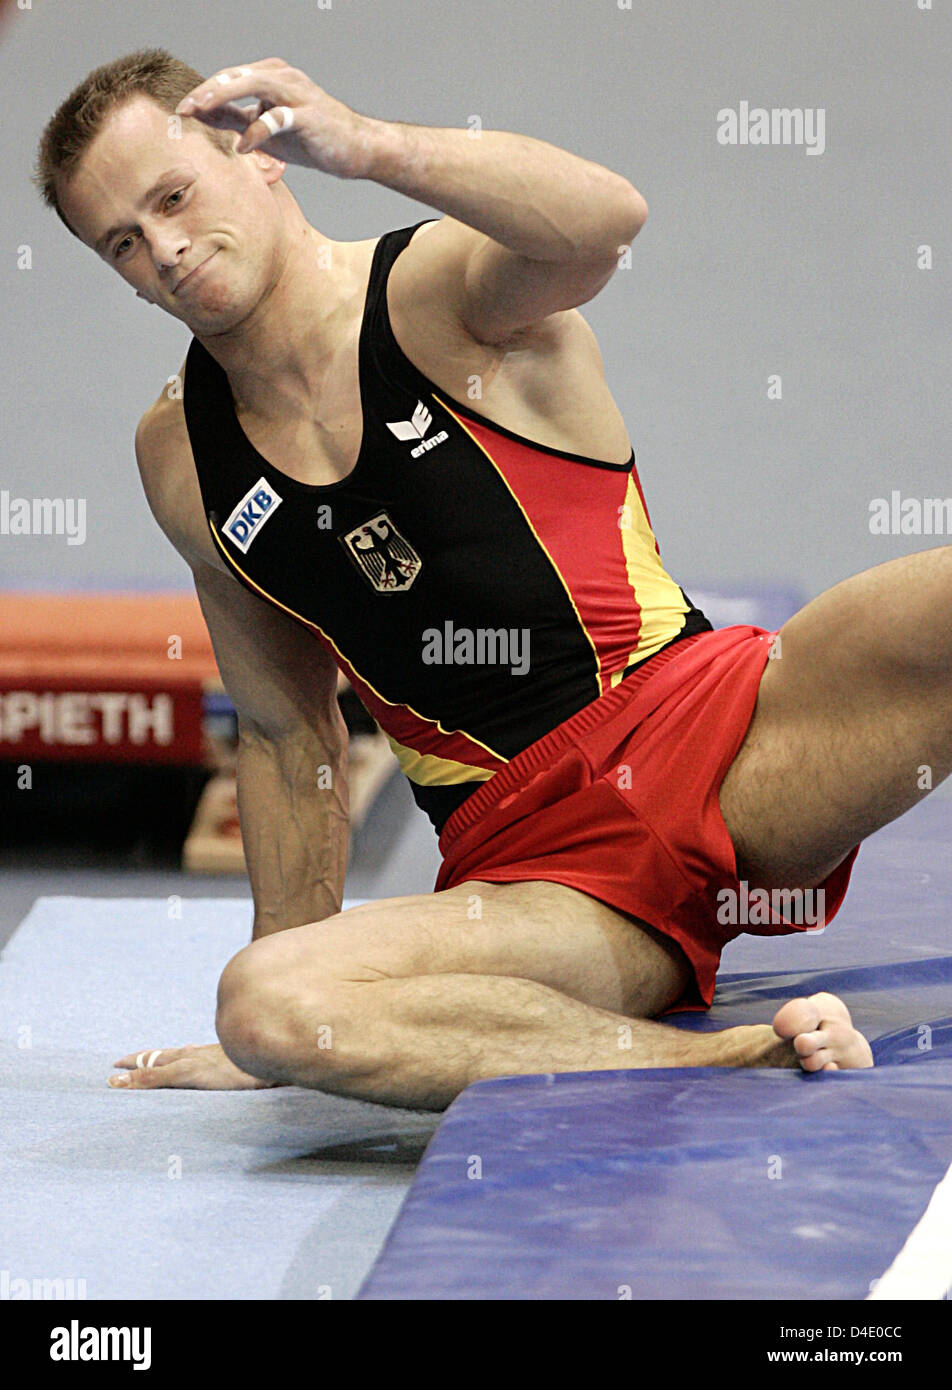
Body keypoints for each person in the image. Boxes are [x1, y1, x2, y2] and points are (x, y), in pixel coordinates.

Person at [35, 50, 947, 1108]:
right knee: (259, 1001)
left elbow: (605, 219)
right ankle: (725, 1054)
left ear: (258, 156)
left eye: (175, 197)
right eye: (125, 245)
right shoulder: (181, 456)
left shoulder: (434, 296)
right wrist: (293, 1034)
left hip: (727, 740)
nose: (168, 251)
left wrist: (366, 144)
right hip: (537, 884)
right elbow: (290, 738)